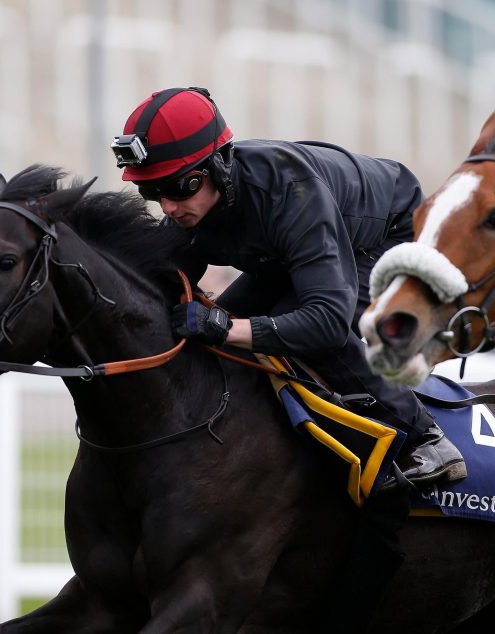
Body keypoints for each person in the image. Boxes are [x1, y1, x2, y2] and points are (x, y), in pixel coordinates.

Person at [110, 86, 465, 490]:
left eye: (180, 188)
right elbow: (161, 284)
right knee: (216, 336)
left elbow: (327, 321)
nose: (169, 207)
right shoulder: (196, 202)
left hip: (385, 236)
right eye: (153, 192)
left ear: (220, 167)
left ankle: (426, 438)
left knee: (289, 329)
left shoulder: (287, 192)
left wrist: (226, 326)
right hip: (289, 251)